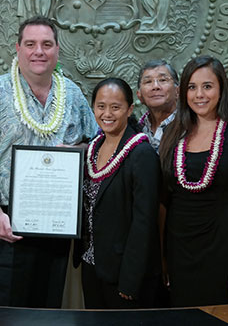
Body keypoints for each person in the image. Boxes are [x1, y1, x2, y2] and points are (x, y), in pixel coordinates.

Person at [0, 15, 97, 307]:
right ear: (17, 49)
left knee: (46, 310)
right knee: (1, 314)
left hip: (56, 224)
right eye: (30, 44)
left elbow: (96, 145)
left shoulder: (73, 94)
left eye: (46, 44)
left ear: (58, 49)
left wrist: (76, 150)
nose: (38, 51)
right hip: (5, 225)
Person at [160, 56, 228, 306]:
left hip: (225, 252)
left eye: (207, 86)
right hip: (180, 251)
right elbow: (165, 200)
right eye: (192, 87)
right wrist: (162, 259)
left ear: (221, 90)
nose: (199, 95)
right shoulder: (173, 134)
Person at [75, 78, 161, 309]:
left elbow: (144, 223)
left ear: (130, 109)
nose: (107, 113)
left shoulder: (141, 154)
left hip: (123, 273)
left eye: (116, 107)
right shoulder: (94, 146)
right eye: (101, 106)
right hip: (91, 264)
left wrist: (131, 280)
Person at [136, 60, 179, 151]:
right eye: (148, 82)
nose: (155, 86)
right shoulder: (136, 131)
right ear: (139, 95)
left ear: (177, 91)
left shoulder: (191, 125)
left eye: (163, 80)